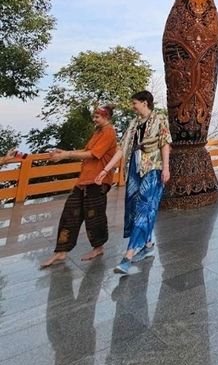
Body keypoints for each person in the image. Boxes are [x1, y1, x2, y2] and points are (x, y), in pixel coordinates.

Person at [95, 91, 171, 275]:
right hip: (135, 166)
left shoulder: (159, 119)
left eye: (135, 103)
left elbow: (164, 143)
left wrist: (166, 168)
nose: (133, 106)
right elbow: (122, 148)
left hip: (153, 167)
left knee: (144, 208)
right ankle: (148, 244)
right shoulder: (134, 123)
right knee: (133, 205)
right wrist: (106, 170)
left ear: (145, 103)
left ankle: (128, 256)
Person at [40, 106, 117, 269]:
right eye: (94, 116)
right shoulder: (97, 132)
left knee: (94, 216)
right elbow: (86, 150)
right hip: (83, 180)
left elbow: (93, 154)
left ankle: (98, 248)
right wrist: (65, 153)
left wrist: (67, 155)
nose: (94, 119)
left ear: (106, 117)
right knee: (70, 213)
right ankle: (61, 251)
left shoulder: (109, 132)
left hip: (98, 181)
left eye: (97, 117)